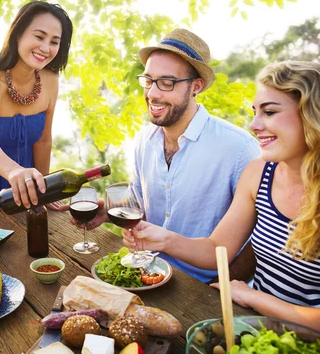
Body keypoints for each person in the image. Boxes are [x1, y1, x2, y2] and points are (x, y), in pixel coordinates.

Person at [124, 61, 320, 331]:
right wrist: (165, 239)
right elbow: (218, 251)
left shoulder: (240, 150)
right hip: (251, 329)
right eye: (255, 112)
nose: (254, 125)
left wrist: (253, 297)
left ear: (311, 115)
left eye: (270, 112)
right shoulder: (260, 173)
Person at [74, 29, 260, 282]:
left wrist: (224, 288)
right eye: (149, 81)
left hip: (208, 286)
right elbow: (140, 206)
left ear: (196, 86)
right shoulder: (144, 140)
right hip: (149, 272)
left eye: (167, 83)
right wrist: (108, 212)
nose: (152, 93)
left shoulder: (238, 148)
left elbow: (259, 240)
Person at [0, 0, 73, 211]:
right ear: (18, 33)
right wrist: (13, 171)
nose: (45, 48)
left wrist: (44, 189)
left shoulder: (50, 80)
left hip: (27, 186)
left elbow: (43, 141)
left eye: (54, 42)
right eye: (39, 37)